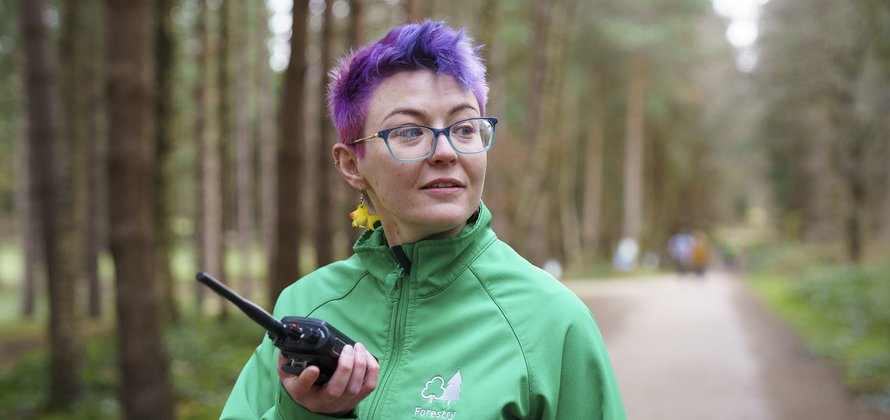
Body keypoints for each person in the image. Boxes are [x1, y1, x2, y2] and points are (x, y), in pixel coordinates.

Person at [221, 20, 625, 419]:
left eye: (464, 128)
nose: (445, 151)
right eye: (411, 132)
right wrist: (307, 414)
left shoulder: (551, 320)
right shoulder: (309, 305)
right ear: (350, 164)